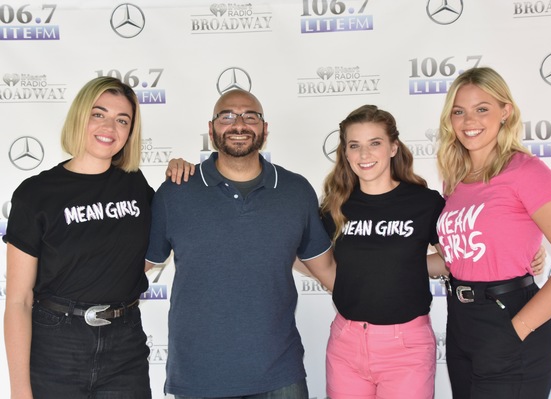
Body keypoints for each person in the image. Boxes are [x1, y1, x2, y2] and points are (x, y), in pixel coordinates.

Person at [144, 89, 336, 399]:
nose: (239, 124)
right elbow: (138, 265)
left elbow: (327, 269)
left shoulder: (295, 190)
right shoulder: (176, 191)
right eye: (227, 116)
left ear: (264, 128)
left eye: (250, 116)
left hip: (279, 374)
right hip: (199, 376)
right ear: (211, 129)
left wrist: (382, 305)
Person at [436, 66, 551, 398]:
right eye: (459, 111)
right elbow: (458, 260)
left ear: (505, 112)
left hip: (510, 321)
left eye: (482, 109)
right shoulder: (454, 181)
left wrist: (517, 330)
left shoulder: (527, 172)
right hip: (461, 326)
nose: (470, 121)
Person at [4, 77, 153, 399]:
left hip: (125, 343)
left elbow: (163, 240)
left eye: (122, 120)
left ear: (130, 132)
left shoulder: (136, 185)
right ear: (80, 117)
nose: (110, 127)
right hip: (57, 344)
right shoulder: (36, 194)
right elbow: (18, 300)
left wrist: (182, 170)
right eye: (98, 114)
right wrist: (19, 390)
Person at [319, 105, 445, 399]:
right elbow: (308, 256)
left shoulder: (424, 202)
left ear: (393, 147)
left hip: (407, 348)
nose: (364, 155)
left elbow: (454, 261)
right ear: (346, 152)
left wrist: (407, 265)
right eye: (355, 146)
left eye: (375, 143)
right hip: (346, 344)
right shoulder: (335, 206)